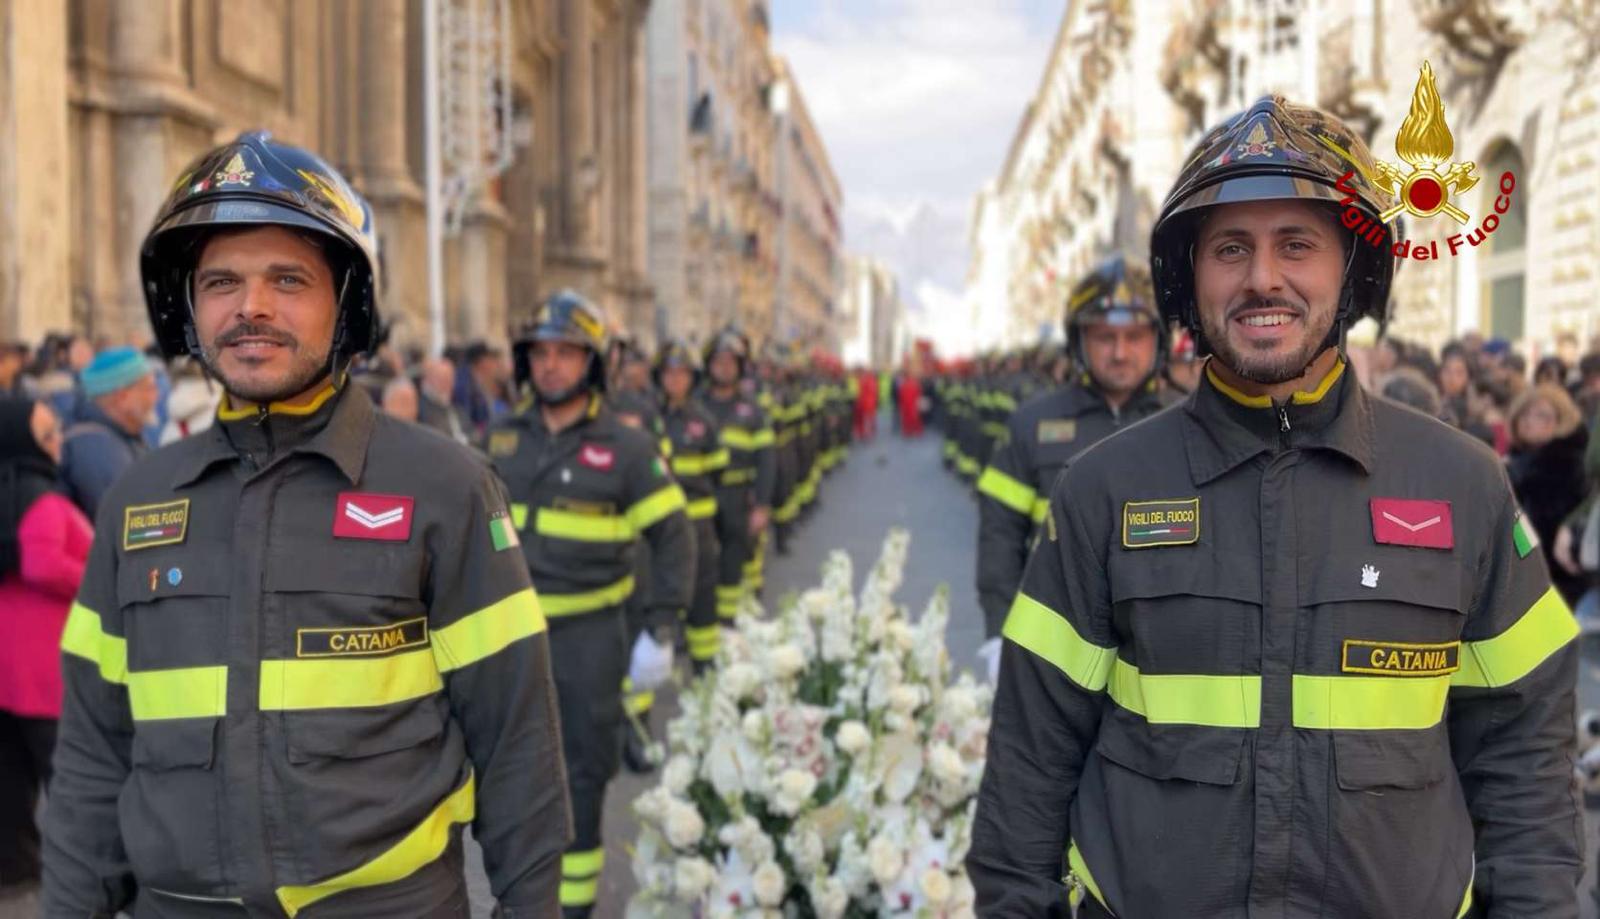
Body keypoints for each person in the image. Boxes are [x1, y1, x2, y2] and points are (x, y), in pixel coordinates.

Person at [969, 95, 1583, 917]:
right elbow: (1028, 764)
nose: (1263, 276)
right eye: (1231, 248)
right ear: (1190, 281)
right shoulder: (1102, 490)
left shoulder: (1463, 484)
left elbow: (1526, 754)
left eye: (1297, 243)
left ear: (1354, 270)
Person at [43, 131, 569, 916]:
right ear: (189, 307)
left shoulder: (446, 489)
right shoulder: (135, 502)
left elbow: (518, 744)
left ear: (346, 301)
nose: (250, 306)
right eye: (221, 281)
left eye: (287, 278)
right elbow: (91, 757)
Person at [488, 290, 693, 918]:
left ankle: (570, 909)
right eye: (540, 353)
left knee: (578, 783)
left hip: (588, 644)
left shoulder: (626, 450)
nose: (550, 365)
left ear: (592, 364)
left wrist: (660, 629)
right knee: (504, 779)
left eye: (566, 353)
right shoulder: (498, 439)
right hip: (508, 640)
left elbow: (674, 537)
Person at [974, 254, 1171, 679]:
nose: (1120, 353)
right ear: (1078, 342)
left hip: (1160, 657)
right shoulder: (1031, 424)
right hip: (1051, 655)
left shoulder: (1192, 423)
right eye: (1104, 337)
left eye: (1135, 336)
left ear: (1159, 340)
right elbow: (999, 536)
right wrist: (996, 634)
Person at [0, 398, 89, 902]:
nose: (59, 441)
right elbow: (42, 564)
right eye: (49, 433)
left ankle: (15, 869)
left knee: (12, 779)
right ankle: (81, 875)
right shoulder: (42, 500)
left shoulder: (10, 490)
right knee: (73, 779)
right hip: (45, 667)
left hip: (10, 665)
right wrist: (99, 578)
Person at [655, 339, 726, 670]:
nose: (675, 381)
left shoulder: (704, 421)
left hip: (698, 525)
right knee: (664, 590)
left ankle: (704, 666)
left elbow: (719, 471)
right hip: (659, 526)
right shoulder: (649, 418)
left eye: (682, 374)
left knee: (701, 595)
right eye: (669, 374)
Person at [700, 327, 776, 620]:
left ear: (741, 368)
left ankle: (729, 624)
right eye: (718, 361)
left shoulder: (753, 411)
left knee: (733, 563)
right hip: (702, 497)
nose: (724, 367)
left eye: (731, 362)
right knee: (701, 566)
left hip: (737, 498)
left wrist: (762, 505)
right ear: (709, 365)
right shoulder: (695, 405)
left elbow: (767, 461)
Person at [1506, 384, 1590, 605]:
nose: (1530, 420)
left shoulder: (1567, 466)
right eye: (1525, 413)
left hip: (1556, 584)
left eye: (1542, 415)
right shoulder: (1515, 463)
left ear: (1561, 421)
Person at [57, 346, 158, 518]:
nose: (156, 395)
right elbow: (128, 521)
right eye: (149, 388)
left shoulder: (120, 436)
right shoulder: (96, 448)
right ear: (123, 397)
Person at [418, 356, 469, 444]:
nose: (447, 383)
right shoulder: (420, 409)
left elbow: (472, 434)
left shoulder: (458, 409)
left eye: (450, 378)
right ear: (427, 380)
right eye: (441, 378)